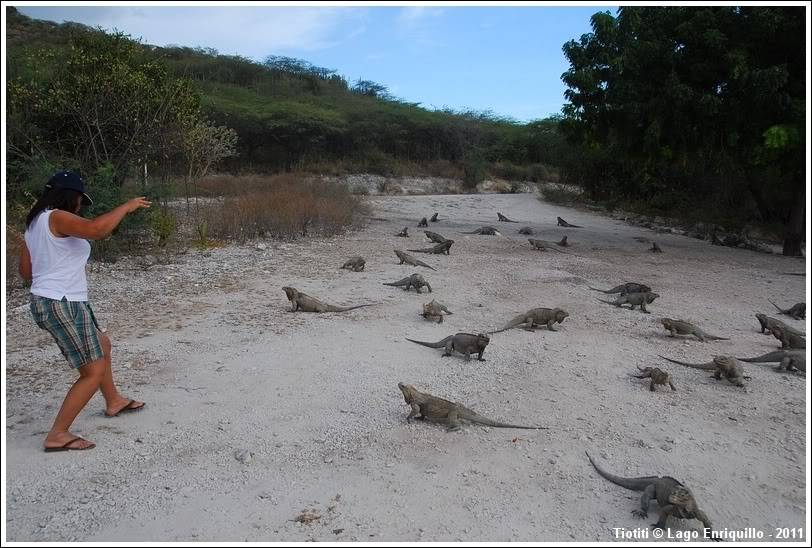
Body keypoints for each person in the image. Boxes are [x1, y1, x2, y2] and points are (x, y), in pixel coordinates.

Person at [18, 170, 151, 452]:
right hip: (61, 302)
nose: (81, 206)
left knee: (102, 344)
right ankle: (58, 433)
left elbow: (26, 272)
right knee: (92, 370)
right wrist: (126, 207)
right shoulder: (56, 216)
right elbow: (97, 230)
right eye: (80, 200)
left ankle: (113, 400)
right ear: (71, 197)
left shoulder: (32, 226)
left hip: (61, 300)